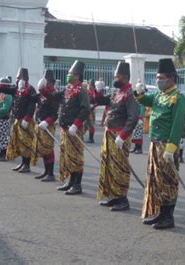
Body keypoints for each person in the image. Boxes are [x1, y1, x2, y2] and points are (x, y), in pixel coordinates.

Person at [134, 58, 185, 230]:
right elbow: (144, 100)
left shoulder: (178, 98)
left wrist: (172, 148)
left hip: (166, 145)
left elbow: (178, 124)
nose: (158, 81)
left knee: (168, 180)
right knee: (156, 179)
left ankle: (168, 216)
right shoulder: (158, 95)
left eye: (161, 77)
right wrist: (139, 92)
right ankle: (159, 212)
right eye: (157, 78)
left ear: (171, 78)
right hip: (155, 143)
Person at [94, 62, 139, 211]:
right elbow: (100, 101)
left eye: (117, 76)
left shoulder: (130, 95)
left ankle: (122, 199)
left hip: (120, 135)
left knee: (119, 167)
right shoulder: (116, 92)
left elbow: (133, 118)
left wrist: (123, 135)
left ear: (125, 77)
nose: (115, 78)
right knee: (108, 165)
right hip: (109, 133)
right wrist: (98, 91)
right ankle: (113, 196)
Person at [56, 60, 91, 195]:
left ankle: (77, 184)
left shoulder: (81, 90)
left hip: (74, 129)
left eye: (70, 74)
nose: (68, 75)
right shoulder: (68, 89)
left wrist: (76, 124)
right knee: (67, 156)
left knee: (76, 156)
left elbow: (85, 109)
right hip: (65, 129)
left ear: (77, 75)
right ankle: (70, 182)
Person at [31, 70, 61, 182]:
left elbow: (55, 113)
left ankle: (51, 173)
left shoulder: (54, 94)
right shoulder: (42, 93)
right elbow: (32, 99)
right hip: (39, 123)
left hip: (47, 125)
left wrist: (47, 122)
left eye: (46, 81)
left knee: (48, 149)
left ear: (52, 82)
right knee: (42, 149)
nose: (44, 83)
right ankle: (45, 171)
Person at [6, 68, 37, 173]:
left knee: (26, 143)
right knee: (19, 143)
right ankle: (23, 163)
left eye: (19, 77)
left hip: (25, 121)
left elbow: (32, 105)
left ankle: (27, 165)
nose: (17, 79)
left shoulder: (30, 89)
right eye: (17, 77)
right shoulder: (17, 89)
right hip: (18, 119)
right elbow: (7, 90)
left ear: (25, 78)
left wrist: (27, 119)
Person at [85, 79, 97, 143]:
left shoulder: (94, 92)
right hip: (85, 109)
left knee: (91, 124)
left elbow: (97, 101)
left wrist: (93, 105)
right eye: (90, 85)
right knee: (85, 124)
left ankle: (91, 138)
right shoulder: (86, 91)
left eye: (92, 85)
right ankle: (80, 136)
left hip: (91, 110)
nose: (90, 86)